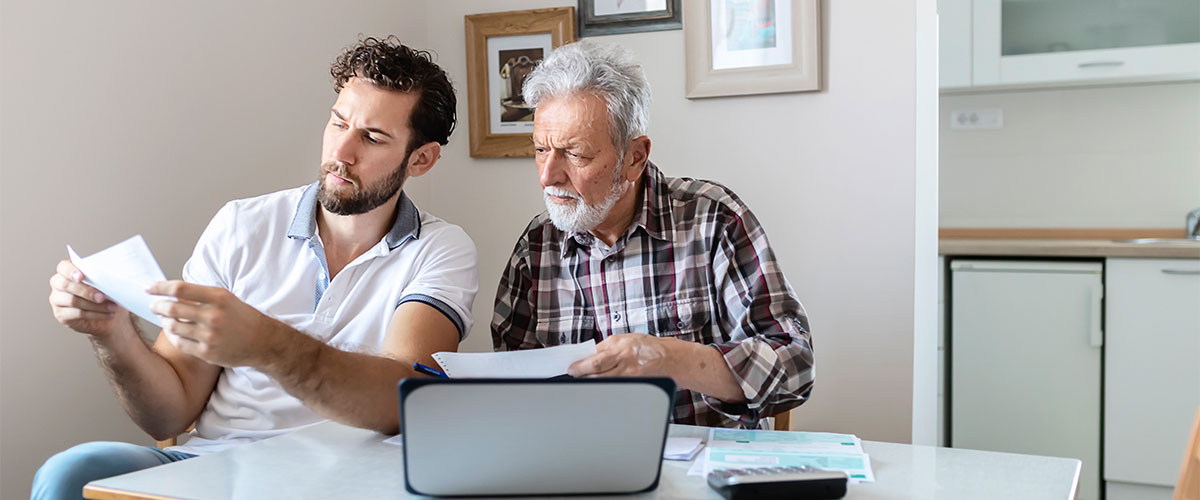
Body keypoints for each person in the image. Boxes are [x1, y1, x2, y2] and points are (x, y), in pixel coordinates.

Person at [35, 36, 477, 499]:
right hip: (214, 462)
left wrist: (267, 344)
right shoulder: (241, 223)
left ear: (421, 159)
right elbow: (169, 414)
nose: (341, 153)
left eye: (372, 137)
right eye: (338, 123)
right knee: (72, 471)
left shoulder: (440, 249)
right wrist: (112, 334)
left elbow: (403, 399)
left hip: (352, 478)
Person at [491, 41, 813, 429]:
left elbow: (795, 365)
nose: (548, 176)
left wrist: (671, 359)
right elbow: (508, 386)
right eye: (542, 149)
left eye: (575, 153)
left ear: (635, 157)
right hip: (579, 467)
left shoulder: (712, 219)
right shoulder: (537, 246)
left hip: (701, 474)